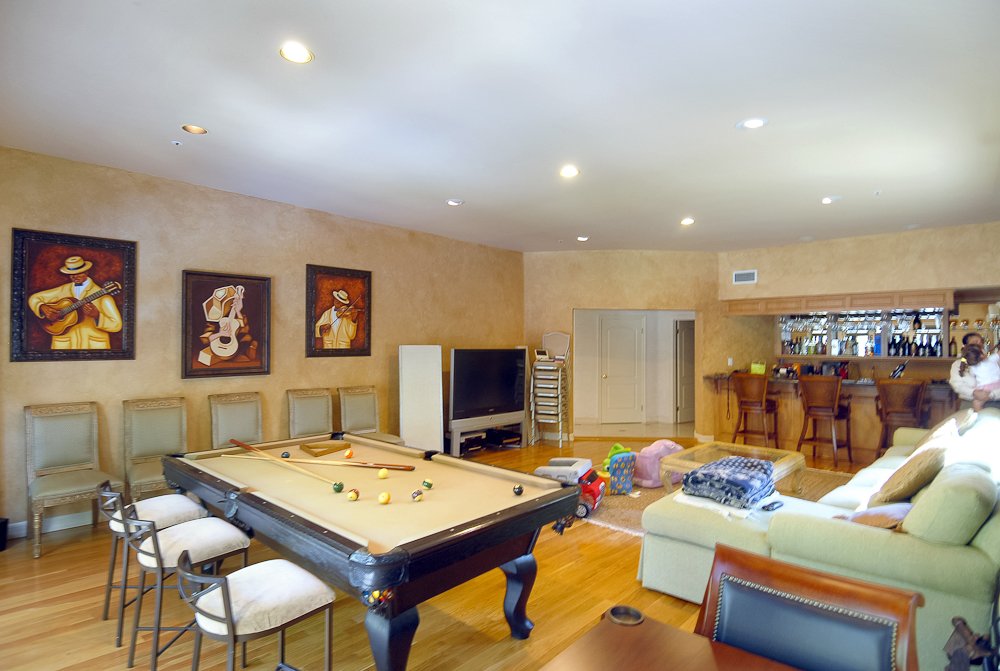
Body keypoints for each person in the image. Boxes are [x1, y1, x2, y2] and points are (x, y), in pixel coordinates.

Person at [27, 255, 123, 350]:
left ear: (87, 271)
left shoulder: (103, 297)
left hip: (92, 346)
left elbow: (117, 325)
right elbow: (34, 298)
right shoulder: (63, 290)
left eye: (79, 273)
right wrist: (43, 308)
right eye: (71, 273)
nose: (75, 276)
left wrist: (97, 316)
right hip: (64, 346)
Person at [949, 332, 1000, 410]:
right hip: (969, 404)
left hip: (996, 404)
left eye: (981, 342)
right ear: (965, 346)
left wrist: (991, 394)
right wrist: (973, 392)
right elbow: (957, 385)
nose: (980, 344)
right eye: (975, 342)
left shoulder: (993, 361)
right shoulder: (959, 364)